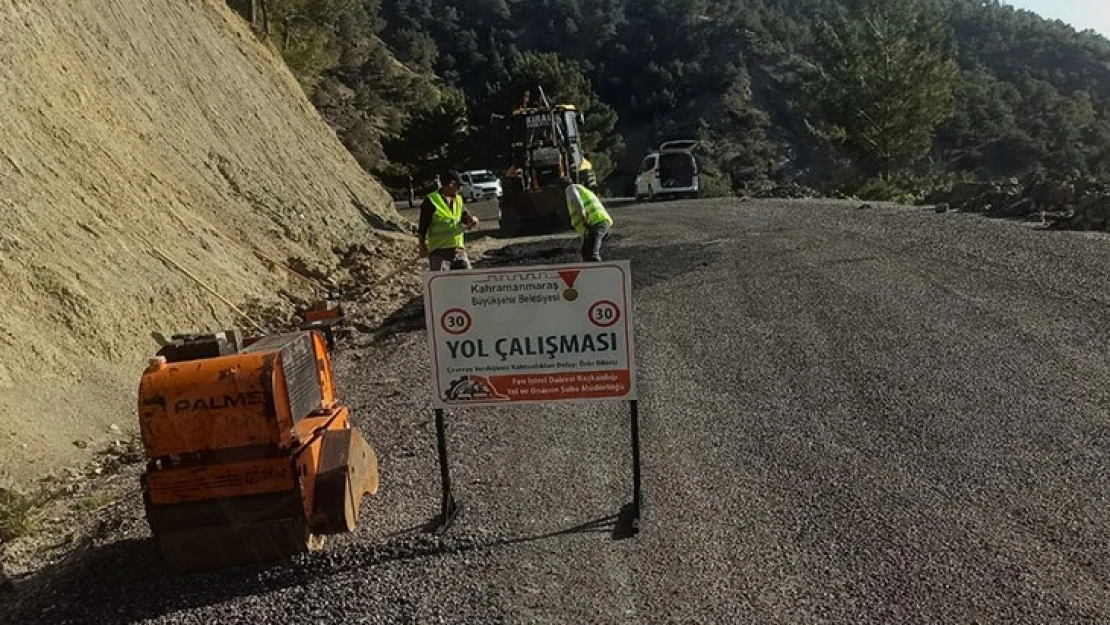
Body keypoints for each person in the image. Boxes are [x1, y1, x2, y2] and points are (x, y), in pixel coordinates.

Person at [418, 170, 479, 271]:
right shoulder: (431, 201)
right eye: (459, 186)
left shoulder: (458, 199)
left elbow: (464, 216)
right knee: (441, 282)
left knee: (467, 279)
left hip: (458, 250)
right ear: (451, 184)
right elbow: (422, 227)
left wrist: (471, 220)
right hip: (439, 251)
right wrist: (422, 246)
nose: (460, 189)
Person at [563, 178, 613, 262]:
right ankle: (590, 272)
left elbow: (578, 204)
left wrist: (584, 220)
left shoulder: (570, 188)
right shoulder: (582, 189)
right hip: (599, 223)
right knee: (585, 252)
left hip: (596, 223)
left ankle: (598, 272)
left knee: (592, 255)